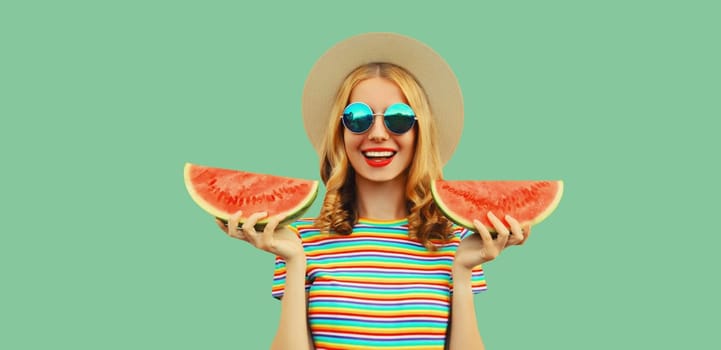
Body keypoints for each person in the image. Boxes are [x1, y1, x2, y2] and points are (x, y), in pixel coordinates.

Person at [215, 32, 531, 350]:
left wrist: (462, 272)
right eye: (359, 118)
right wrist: (295, 261)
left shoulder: (457, 244)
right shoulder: (298, 241)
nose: (378, 134)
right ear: (340, 131)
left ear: (420, 131)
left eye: (398, 119)